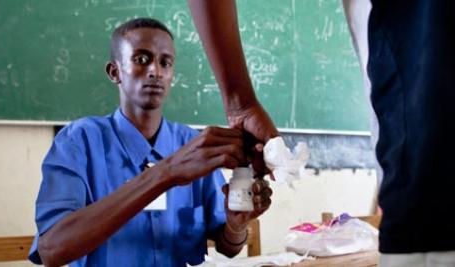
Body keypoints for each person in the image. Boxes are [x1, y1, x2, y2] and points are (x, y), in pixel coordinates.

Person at [187, 0, 455, 266]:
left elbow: (229, 244)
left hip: (429, 203)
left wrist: (241, 102)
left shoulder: (191, 146)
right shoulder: (191, 148)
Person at [28, 18, 272, 267]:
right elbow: (51, 250)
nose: (155, 71)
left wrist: (236, 225)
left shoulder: (193, 144)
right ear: (115, 72)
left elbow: (228, 246)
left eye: (165, 63)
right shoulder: (79, 142)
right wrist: (166, 173)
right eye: (141, 60)